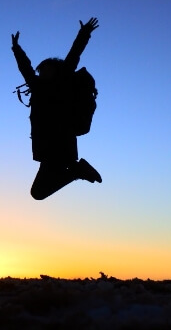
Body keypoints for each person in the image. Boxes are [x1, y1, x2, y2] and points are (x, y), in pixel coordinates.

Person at [11, 18, 102, 200]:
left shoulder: (63, 81)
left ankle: (78, 170)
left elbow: (74, 54)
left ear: (55, 69)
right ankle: (78, 170)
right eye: (40, 71)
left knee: (38, 193)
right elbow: (25, 69)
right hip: (48, 147)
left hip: (59, 144)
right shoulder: (37, 86)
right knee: (38, 192)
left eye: (45, 69)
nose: (41, 73)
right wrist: (17, 49)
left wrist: (84, 33)